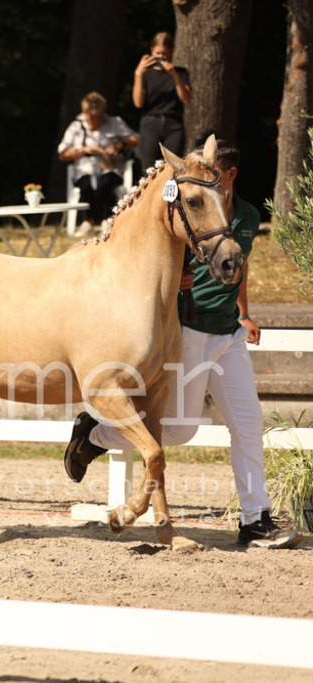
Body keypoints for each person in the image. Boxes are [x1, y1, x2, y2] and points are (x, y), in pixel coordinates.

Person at [62, 140, 302, 550]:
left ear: (230, 176)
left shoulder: (244, 216)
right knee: (180, 429)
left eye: (217, 175)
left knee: (248, 427)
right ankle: (95, 435)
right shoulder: (186, 208)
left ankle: (255, 521)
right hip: (189, 331)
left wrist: (244, 312)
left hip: (229, 335)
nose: (209, 180)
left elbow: (239, 268)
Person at [57, 92, 138, 235]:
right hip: (84, 170)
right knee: (86, 183)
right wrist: (85, 150)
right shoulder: (76, 127)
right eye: (92, 117)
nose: (96, 120)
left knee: (105, 182)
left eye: (99, 116)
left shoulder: (114, 123)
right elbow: (63, 154)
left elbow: (136, 140)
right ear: (85, 112)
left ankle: (107, 220)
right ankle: (87, 221)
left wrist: (119, 145)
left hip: (111, 168)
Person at [133, 32, 191, 172]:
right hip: (150, 123)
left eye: (165, 53)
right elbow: (138, 103)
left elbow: (186, 99)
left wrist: (175, 76)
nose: (161, 57)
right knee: (148, 171)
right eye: (158, 53)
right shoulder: (146, 74)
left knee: (173, 170)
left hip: (174, 125)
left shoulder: (181, 72)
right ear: (151, 50)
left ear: (171, 51)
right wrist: (138, 73)